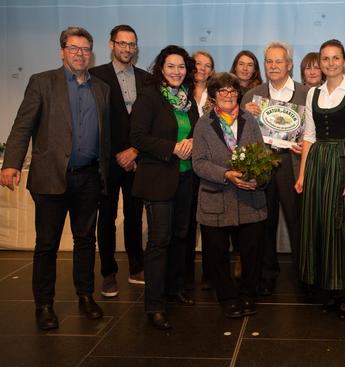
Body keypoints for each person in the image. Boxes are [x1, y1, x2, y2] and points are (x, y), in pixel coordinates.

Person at [0, 27, 110, 330]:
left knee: (86, 240)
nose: (80, 54)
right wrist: (11, 163)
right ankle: (44, 304)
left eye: (86, 49)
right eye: (74, 48)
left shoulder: (100, 88)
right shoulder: (42, 82)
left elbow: (106, 135)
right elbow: (22, 126)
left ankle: (85, 295)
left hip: (88, 178)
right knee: (46, 244)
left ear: (92, 52)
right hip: (51, 178)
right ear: (62, 51)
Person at [295, 39, 345, 319]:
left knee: (344, 227)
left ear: (344, 60)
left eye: (335, 58)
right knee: (320, 224)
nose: (329, 63)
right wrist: (302, 173)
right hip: (317, 165)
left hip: (344, 161)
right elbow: (309, 137)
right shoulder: (314, 93)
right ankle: (326, 288)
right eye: (325, 59)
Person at [130, 45, 199, 330]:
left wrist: (194, 142)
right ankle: (154, 304)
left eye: (181, 67)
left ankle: (174, 289)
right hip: (158, 179)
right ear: (161, 68)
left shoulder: (188, 100)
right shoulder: (149, 97)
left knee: (181, 235)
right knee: (159, 241)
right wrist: (173, 148)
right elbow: (138, 136)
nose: (176, 71)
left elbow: (194, 132)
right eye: (171, 66)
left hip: (186, 177)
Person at [192, 72, 267, 318]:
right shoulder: (204, 123)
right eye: (222, 91)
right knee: (216, 254)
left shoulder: (250, 120)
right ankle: (227, 298)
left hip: (249, 199)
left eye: (232, 91)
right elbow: (199, 163)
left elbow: (262, 156)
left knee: (251, 253)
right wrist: (226, 174)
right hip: (216, 198)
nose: (228, 95)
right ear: (213, 96)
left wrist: (256, 176)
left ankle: (248, 295)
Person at [241, 41, 310, 296]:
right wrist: (243, 115)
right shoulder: (252, 95)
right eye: (269, 61)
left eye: (279, 61)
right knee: (264, 222)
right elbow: (241, 135)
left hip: (291, 165)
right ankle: (267, 274)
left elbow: (312, 134)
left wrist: (306, 146)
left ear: (289, 65)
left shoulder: (306, 94)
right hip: (263, 164)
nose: (273, 65)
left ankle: (304, 274)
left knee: (297, 222)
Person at [90, 24, 149, 298]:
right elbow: (95, 122)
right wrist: (118, 153)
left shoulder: (146, 79)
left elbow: (149, 122)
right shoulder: (95, 76)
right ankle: (108, 273)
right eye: (122, 43)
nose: (127, 48)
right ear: (111, 44)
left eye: (131, 44)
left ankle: (137, 267)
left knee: (136, 215)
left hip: (138, 158)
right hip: (107, 160)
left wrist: (135, 151)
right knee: (107, 217)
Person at [185, 50, 215, 291]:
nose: (202, 69)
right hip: (184, 162)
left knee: (208, 220)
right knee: (185, 220)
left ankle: (209, 271)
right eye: (198, 64)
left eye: (207, 65)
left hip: (209, 163)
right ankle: (184, 271)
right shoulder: (179, 92)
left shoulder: (216, 96)